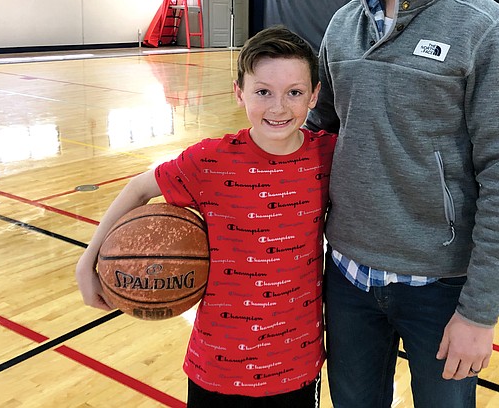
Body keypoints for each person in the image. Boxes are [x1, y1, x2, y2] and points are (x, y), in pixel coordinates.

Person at [305, 0, 499, 408]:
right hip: (348, 279)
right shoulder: (341, 26)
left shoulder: (491, 31)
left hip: (440, 290)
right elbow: (320, 136)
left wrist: (480, 311)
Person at [76, 25, 335, 408]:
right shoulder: (210, 161)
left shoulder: (327, 156)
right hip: (217, 363)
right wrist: (89, 259)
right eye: (263, 91)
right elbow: (140, 189)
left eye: (294, 93)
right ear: (239, 92)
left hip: (296, 364)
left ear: (313, 96)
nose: (278, 107)